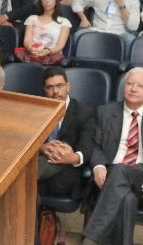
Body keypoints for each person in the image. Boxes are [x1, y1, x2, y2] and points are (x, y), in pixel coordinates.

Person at [81, 68, 143, 245]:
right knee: (127, 200)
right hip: (108, 179)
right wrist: (98, 166)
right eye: (130, 84)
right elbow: (95, 146)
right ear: (124, 87)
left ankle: (90, 240)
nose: (133, 89)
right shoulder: (105, 112)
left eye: (140, 86)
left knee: (119, 170)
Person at [38, 66, 97, 201]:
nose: (55, 91)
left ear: (68, 86)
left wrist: (72, 157)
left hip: (64, 176)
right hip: (41, 174)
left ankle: (22, 175)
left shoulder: (84, 112)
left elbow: (87, 147)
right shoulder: (38, 110)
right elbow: (27, 142)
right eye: (50, 87)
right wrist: (42, 147)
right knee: (28, 192)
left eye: (59, 86)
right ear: (45, 89)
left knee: (62, 147)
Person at [72, 0, 140, 56]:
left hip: (120, 33)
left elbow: (133, 27)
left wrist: (122, 5)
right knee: (78, 35)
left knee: (131, 40)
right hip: (98, 30)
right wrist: (83, 18)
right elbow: (77, 2)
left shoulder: (133, 1)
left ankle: (125, 65)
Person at [18, 0, 72, 64]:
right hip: (32, 55)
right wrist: (30, 49)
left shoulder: (64, 22)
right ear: (41, 1)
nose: (47, 1)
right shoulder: (32, 19)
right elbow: (27, 40)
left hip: (52, 57)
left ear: (56, 1)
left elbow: (60, 45)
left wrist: (47, 51)